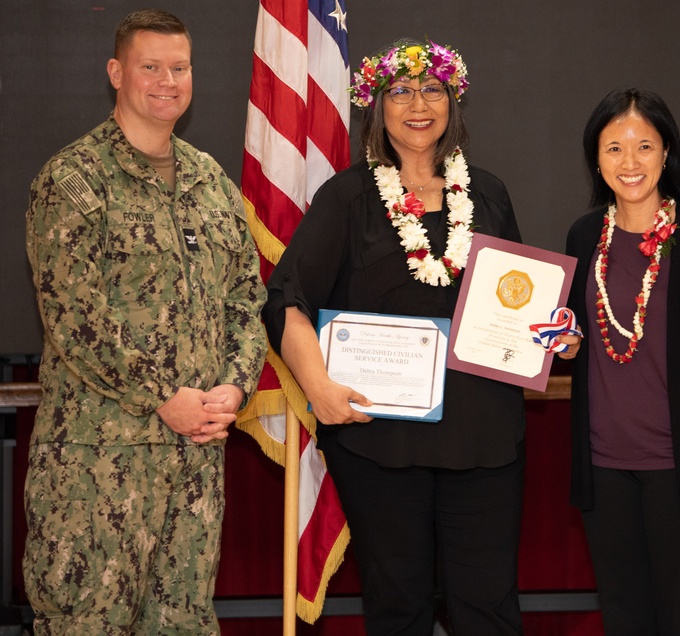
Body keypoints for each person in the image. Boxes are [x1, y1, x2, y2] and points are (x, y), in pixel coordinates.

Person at [262, 38, 541, 635]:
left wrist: (553, 335)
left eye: (433, 89)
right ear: (377, 107)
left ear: (453, 104)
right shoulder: (348, 198)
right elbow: (288, 299)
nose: (419, 103)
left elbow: (519, 301)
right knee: (398, 609)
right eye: (401, 91)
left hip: (484, 444)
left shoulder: (488, 194)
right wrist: (319, 387)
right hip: (380, 446)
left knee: (489, 609)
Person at [22, 9, 267, 634]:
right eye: (150, 66)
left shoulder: (210, 180)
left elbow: (246, 299)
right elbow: (74, 316)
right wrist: (162, 397)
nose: (167, 81)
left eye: (179, 67)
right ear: (116, 72)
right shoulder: (73, 179)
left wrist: (234, 387)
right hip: (98, 466)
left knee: (183, 624)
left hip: (194, 461)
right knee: (87, 625)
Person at [564, 87, 680, 635]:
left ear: (667, 153)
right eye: (614, 148)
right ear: (595, 159)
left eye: (644, 146)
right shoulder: (582, 236)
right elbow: (578, 334)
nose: (630, 162)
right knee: (623, 615)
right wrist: (564, 345)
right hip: (604, 465)